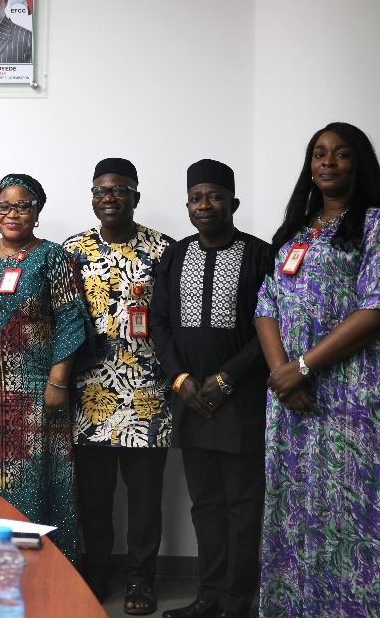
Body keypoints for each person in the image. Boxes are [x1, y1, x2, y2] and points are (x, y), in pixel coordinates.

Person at [254, 122, 380, 617]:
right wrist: (284, 375)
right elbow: (266, 304)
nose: (327, 162)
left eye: (341, 154)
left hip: (354, 400)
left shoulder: (377, 224)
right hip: (294, 399)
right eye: (319, 154)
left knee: (351, 513)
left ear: (357, 163)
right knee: (299, 508)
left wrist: (302, 366)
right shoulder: (296, 233)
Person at [0, 174, 89, 563]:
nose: (13, 214)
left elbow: (71, 319)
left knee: (34, 483)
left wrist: (58, 381)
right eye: (3, 206)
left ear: (38, 211)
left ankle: (43, 568)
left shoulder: (52, 256)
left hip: (35, 394)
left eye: (23, 206)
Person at [151, 160, 270, 618]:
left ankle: (238, 602)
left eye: (215, 196)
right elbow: (159, 324)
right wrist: (180, 379)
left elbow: (270, 327)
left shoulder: (260, 255)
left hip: (240, 400)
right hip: (190, 400)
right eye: (197, 197)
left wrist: (227, 378)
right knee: (205, 505)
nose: (206, 205)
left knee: (242, 505)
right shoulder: (174, 256)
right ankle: (209, 596)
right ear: (187, 205)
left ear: (234, 203)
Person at [63, 157, 174, 615]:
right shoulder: (73, 249)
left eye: (119, 189)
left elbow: (173, 320)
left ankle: (141, 580)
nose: (109, 198)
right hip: (91, 395)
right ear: (92, 198)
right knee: (94, 498)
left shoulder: (165, 249)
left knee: (146, 499)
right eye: (100, 191)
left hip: (148, 393)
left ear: (136, 196)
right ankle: (98, 573)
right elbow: (64, 319)